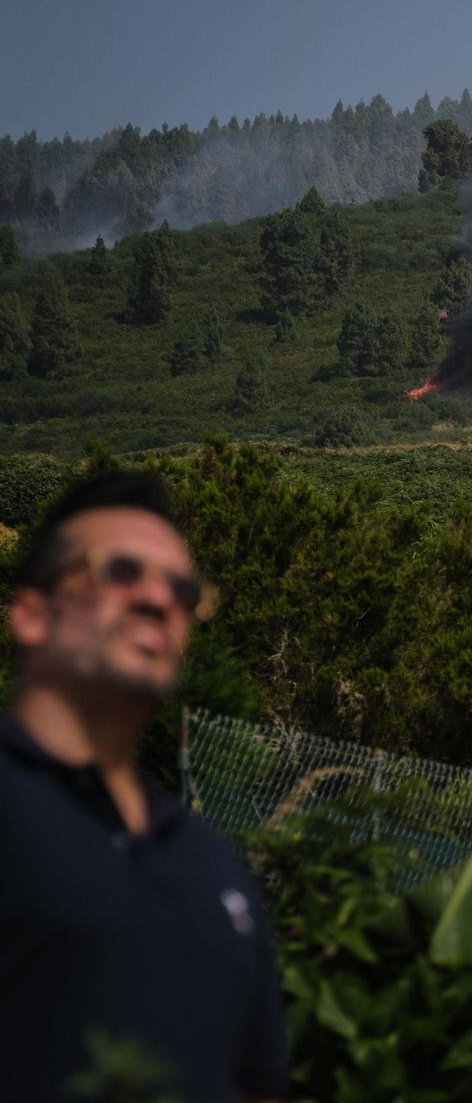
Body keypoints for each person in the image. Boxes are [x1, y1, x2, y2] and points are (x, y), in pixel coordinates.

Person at [1, 470, 288, 1101]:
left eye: (182, 589)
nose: (159, 599)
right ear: (31, 614)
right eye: (121, 570)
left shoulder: (213, 863)